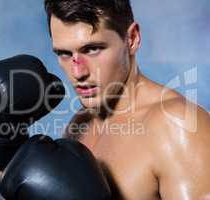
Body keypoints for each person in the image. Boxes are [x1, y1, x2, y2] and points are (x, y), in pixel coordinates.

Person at [42, 0, 210, 199]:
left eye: (92, 49)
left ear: (132, 39)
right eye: (64, 53)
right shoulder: (80, 123)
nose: (77, 72)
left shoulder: (177, 126)